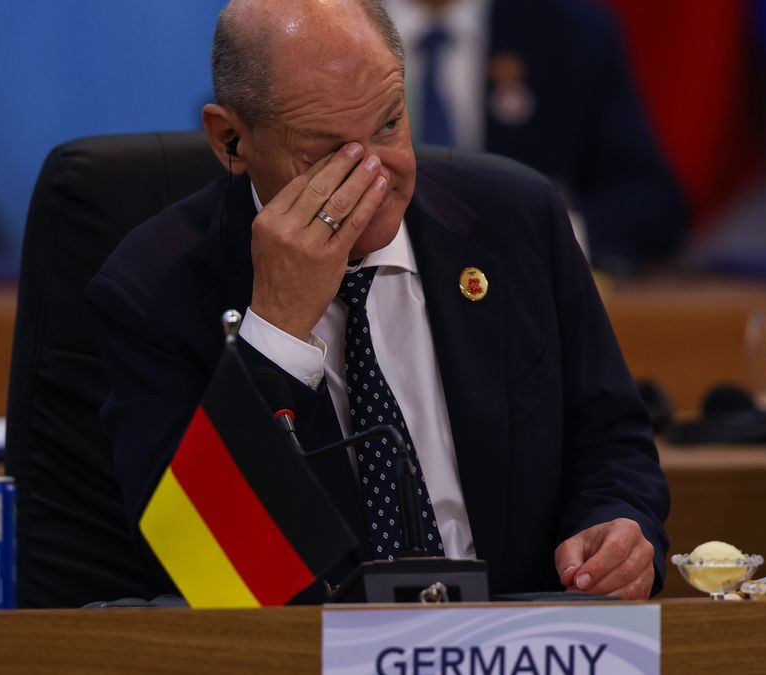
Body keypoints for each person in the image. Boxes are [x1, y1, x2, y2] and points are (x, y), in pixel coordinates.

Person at [87, 0, 669, 599]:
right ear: (229, 138)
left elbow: (609, 438)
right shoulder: (151, 292)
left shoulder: (516, 222)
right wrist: (277, 329)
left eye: (390, 125)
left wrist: (618, 525)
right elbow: (206, 572)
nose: (377, 174)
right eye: (326, 151)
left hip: (518, 642)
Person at [381, 0, 687, 274]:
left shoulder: (573, 31)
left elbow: (650, 202)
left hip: (518, 298)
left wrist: (549, 236)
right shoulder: (338, 29)